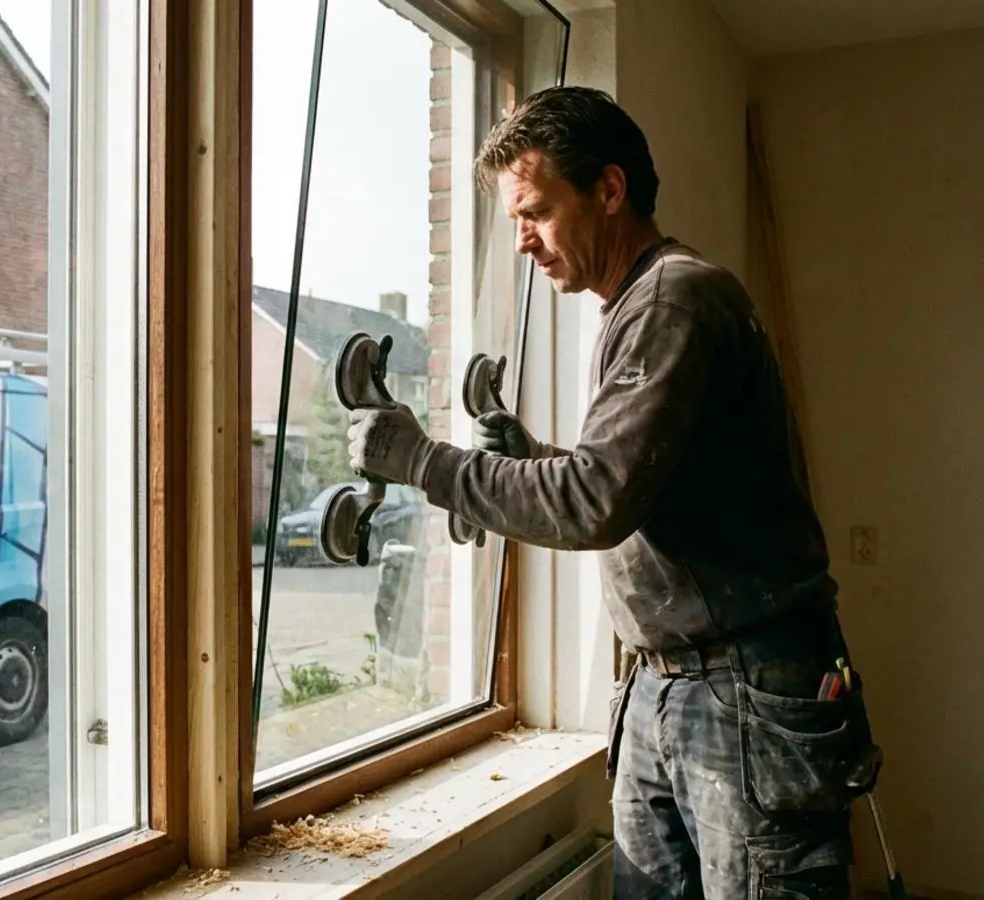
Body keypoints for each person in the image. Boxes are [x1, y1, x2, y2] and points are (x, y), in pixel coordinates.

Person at [345, 85, 878, 900]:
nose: (523, 241)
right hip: (670, 684)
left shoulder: (674, 298)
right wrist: (535, 456)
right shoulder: (639, 304)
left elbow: (596, 503)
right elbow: (645, 487)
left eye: (536, 211)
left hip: (741, 690)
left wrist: (424, 463)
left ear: (609, 189)